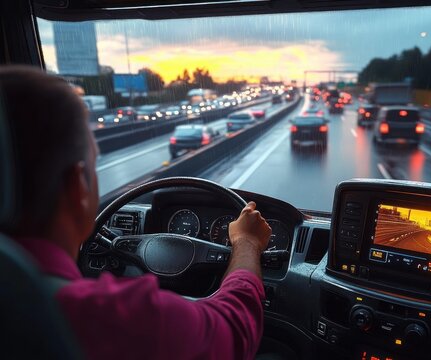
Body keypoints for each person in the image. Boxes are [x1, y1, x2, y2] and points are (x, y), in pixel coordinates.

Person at [0, 66, 272, 359]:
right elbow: (233, 331)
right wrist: (247, 243)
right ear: (78, 187)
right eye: (92, 167)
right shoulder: (122, 319)